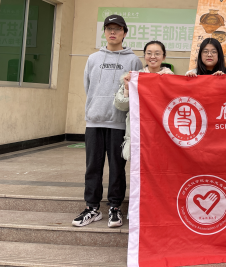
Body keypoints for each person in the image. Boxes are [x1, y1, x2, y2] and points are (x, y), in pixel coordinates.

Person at [73, 15, 143, 229]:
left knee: (117, 168)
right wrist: (96, 107)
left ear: (125, 33)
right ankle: (92, 208)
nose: (113, 32)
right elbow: (88, 87)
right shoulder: (93, 59)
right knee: (92, 167)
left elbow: (137, 91)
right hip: (94, 122)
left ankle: (115, 207)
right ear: (104, 32)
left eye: (117, 29)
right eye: (109, 28)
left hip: (118, 124)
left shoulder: (133, 61)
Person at [114, 41, 174, 160]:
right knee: (140, 169)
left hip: (163, 134)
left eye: (157, 53)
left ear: (164, 57)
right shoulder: (134, 78)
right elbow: (121, 105)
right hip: (140, 133)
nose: (153, 57)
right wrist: (127, 88)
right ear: (144, 56)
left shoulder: (171, 78)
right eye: (149, 53)